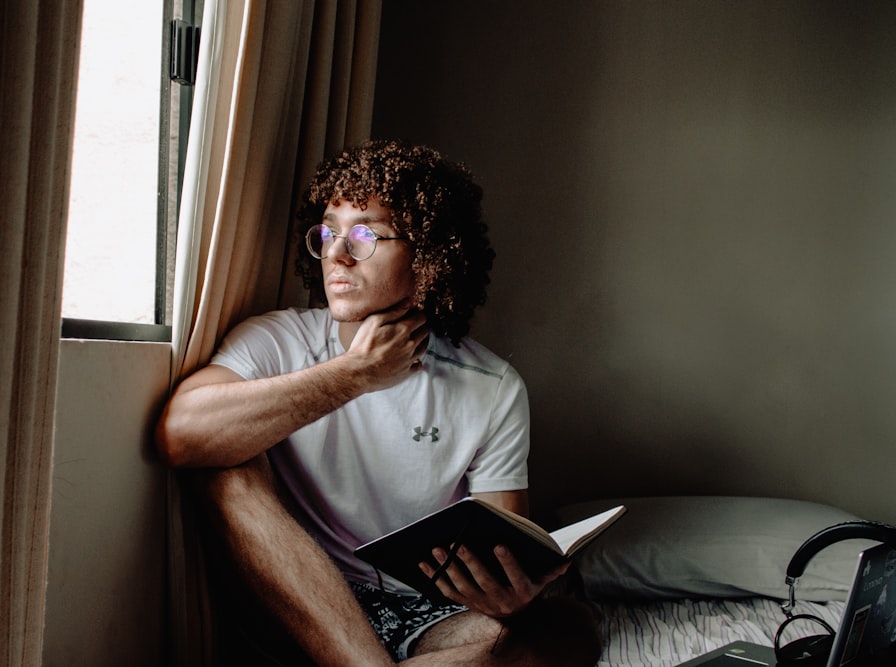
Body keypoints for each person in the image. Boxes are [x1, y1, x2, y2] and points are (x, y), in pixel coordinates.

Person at [156, 140, 602, 666]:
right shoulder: (275, 340)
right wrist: (355, 374)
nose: (337, 253)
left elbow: (503, 556)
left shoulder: (492, 386)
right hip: (305, 603)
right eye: (328, 232)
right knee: (226, 465)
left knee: (563, 633)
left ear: (430, 257)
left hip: (429, 614)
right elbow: (180, 436)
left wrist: (510, 598)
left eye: (366, 233)